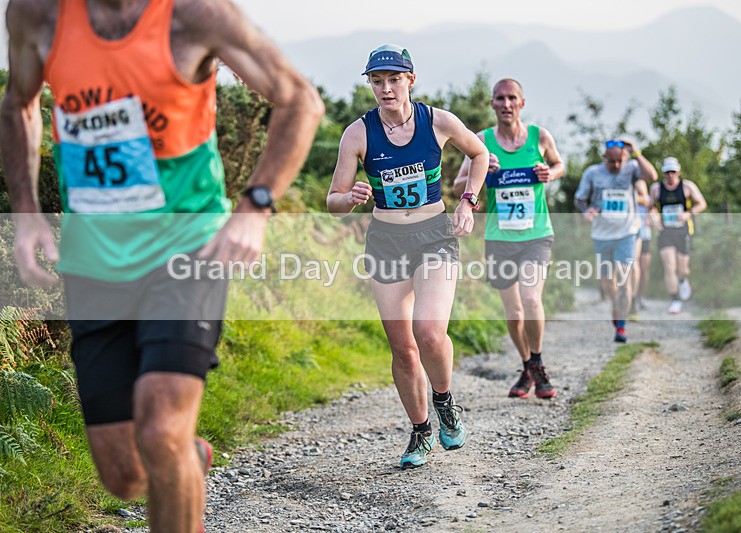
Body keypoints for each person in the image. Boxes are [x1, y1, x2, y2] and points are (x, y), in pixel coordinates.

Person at [0, 1, 323, 531]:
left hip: (188, 246)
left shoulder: (195, 15)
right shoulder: (39, 13)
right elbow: (19, 104)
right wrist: (26, 212)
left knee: (160, 429)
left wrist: (254, 208)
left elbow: (300, 100)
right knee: (123, 473)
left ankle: (174, 451)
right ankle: (184, 461)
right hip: (94, 260)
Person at [327, 44, 489, 469]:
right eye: (377, 81)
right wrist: (351, 196)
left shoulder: (437, 121)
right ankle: (420, 432)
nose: (385, 89)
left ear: (410, 80)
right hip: (386, 240)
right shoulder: (357, 134)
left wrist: (467, 202)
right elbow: (332, 200)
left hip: (435, 234)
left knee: (430, 333)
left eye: (394, 80)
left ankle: (445, 401)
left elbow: (479, 154)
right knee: (402, 347)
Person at [453, 78, 564, 400]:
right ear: (492, 104)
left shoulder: (538, 137)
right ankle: (527, 365)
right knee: (514, 314)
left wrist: (550, 173)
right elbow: (461, 180)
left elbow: (559, 165)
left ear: (521, 103)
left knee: (531, 300)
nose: (505, 104)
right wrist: (483, 170)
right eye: (499, 99)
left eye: (511, 98)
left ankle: (539, 364)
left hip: (536, 234)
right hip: (499, 237)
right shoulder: (482, 140)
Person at [574, 139, 657, 342]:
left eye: (620, 161)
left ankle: (621, 326)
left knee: (624, 277)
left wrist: (636, 152)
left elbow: (652, 176)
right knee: (607, 280)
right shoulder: (592, 173)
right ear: (604, 158)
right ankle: (616, 305)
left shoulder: (631, 169)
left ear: (625, 158)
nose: (617, 165)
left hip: (627, 232)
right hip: (602, 234)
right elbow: (579, 198)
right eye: (612, 162)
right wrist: (587, 211)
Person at [649, 157, 707, 315]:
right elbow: (650, 207)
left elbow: (702, 203)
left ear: (678, 172)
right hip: (666, 232)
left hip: (683, 231)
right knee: (669, 267)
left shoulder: (687, 186)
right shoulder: (656, 189)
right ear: (663, 173)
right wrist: (654, 220)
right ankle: (675, 300)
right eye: (667, 172)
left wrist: (688, 213)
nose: (670, 175)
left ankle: (683, 280)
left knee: (683, 269)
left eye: (673, 172)